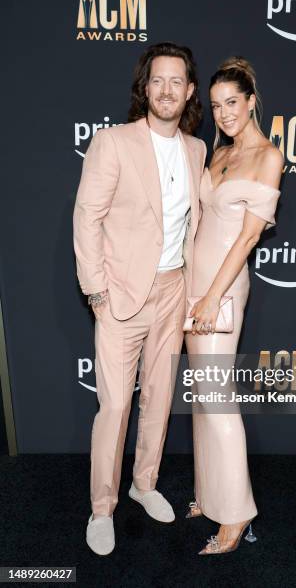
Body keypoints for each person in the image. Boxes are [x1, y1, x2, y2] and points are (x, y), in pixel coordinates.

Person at [73, 42, 206, 556]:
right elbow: (87, 216)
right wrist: (96, 291)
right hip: (122, 294)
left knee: (159, 401)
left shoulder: (196, 150)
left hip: (174, 290)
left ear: (189, 91)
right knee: (114, 408)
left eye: (177, 81)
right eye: (158, 80)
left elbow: (196, 225)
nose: (167, 89)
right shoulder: (113, 143)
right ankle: (102, 506)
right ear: (144, 87)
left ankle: (143, 484)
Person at [185, 57, 283, 555]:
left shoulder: (267, 156)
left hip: (220, 289)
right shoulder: (217, 154)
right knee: (202, 397)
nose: (223, 113)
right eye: (216, 105)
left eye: (232, 103)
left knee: (218, 399)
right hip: (193, 284)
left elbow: (246, 239)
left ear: (250, 102)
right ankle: (209, 493)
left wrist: (210, 296)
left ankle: (237, 515)